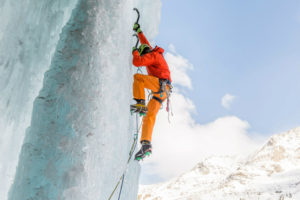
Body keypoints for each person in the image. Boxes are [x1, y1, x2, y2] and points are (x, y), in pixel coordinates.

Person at [131, 23, 172, 161]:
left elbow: (137, 62)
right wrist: (139, 32)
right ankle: (146, 145)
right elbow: (145, 44)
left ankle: (140, 103)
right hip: (163, 92)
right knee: (149, 116)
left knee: (138, 78)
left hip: (160, 86)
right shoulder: (154, 54)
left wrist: (135, 52)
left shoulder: (152, 56)